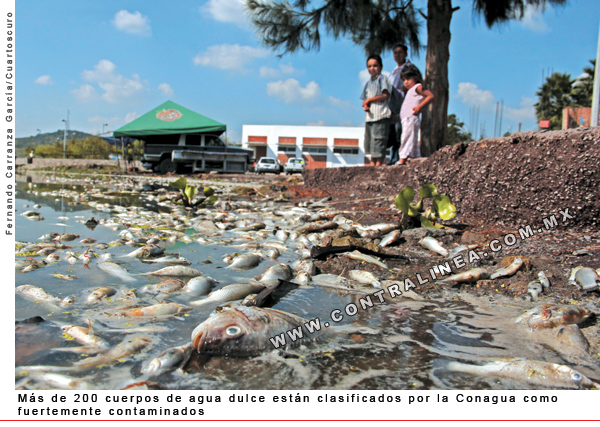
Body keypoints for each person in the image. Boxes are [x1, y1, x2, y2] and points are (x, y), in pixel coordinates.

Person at [396, 64, 434, 165]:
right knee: (411, 137)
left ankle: (403, 157)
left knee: (407, 137)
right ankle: (412, 159)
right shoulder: (410, 90)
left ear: (415, 77)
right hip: (406, 119)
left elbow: (430, 96)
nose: (406, 82)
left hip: (411, 118)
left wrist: (420, 107)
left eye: (408, 78)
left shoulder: (418, 87)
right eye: (404, 80)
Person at [360, 54, 391, 166]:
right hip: (370, 117)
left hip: (381, 114)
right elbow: (365, 100)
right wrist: (366, 105)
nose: (372, 68)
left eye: (375, 66)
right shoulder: (368, 83)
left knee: (379, 140)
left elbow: (385, 95)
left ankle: (378, 165)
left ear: (380, 67)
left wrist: (370, 100)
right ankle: (372, 164)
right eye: (369, 66)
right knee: (371, 143)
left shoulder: (383, 79)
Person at [386, 44, 411, 166]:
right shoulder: (393, 71)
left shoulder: (409, 68)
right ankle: (393, 157)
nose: (397, 55)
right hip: (392, 107)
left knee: (401, 132)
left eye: (400, 52)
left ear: (405, 54)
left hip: (403, 105)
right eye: (395, 52)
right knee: (394, 134)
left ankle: (399, 158)